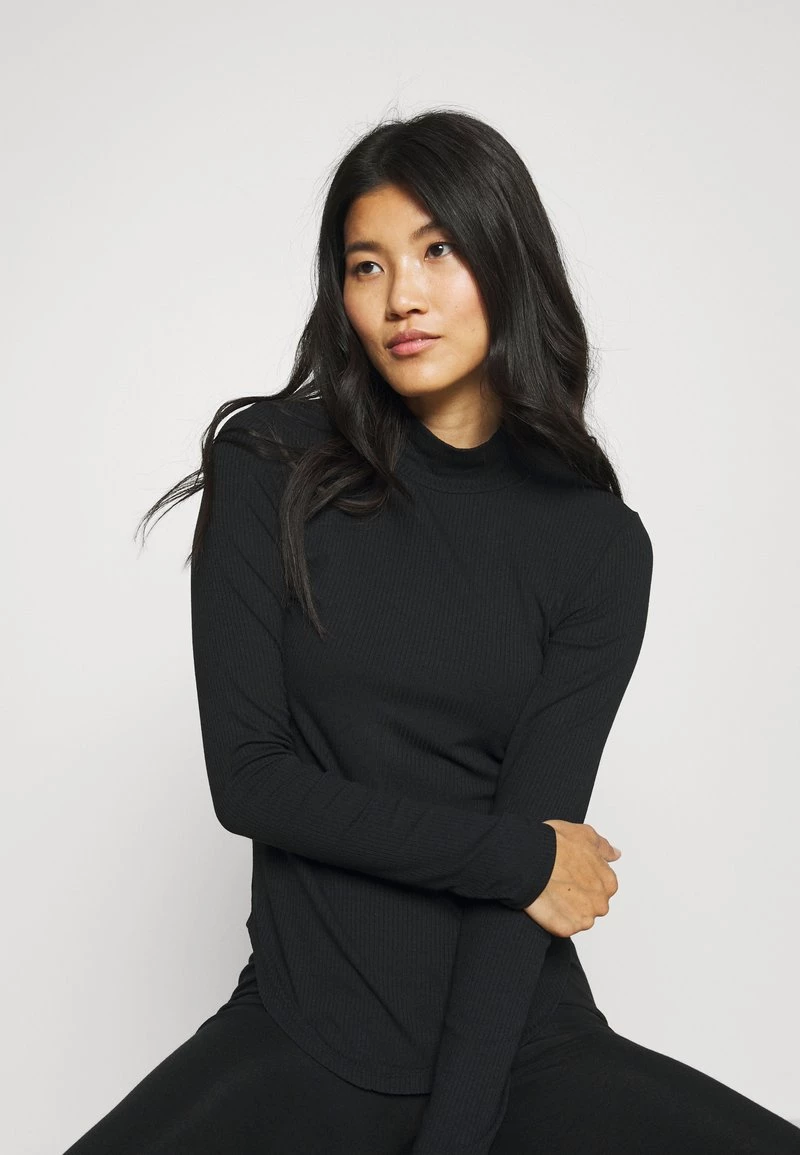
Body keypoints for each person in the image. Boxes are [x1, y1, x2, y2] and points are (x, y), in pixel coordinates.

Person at [62, 109, 800, 1154]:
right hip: (303, 1031)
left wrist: (454, 1137)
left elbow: (530, 885)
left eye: (437, 250)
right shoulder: (270, 464)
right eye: (365, 265)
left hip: (520, 1041)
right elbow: (252, 781)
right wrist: (515, 856)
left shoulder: (593, 544)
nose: (400, 295)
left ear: (507, 260)